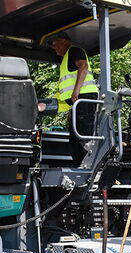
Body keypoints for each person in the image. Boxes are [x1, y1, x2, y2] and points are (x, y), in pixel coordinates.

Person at [48, 32, 99, 160]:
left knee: (84, 135)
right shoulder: (66, 58)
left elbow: (83, 66)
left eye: (55, 44)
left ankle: (92, 165)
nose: (54, 48)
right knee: (75, 138)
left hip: (84, 99)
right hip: (77, 103)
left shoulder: (74, 51)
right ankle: (78, 165)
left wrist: (76, 91)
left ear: (64, 41)